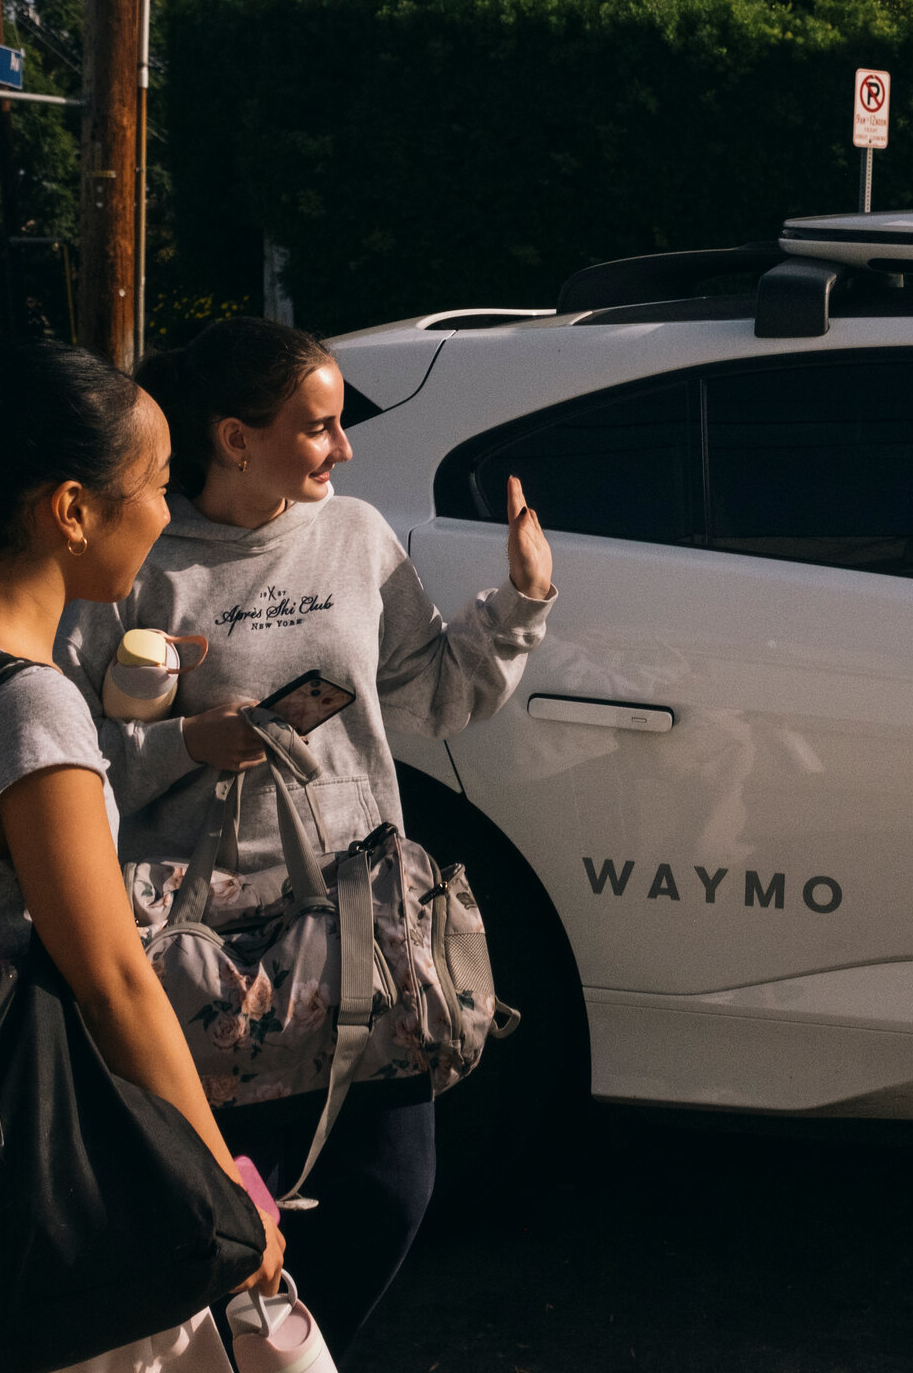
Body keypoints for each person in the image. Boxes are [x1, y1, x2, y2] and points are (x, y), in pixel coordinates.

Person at [58, 315, 555, 1358]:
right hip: (199, 956)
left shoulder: (356, 538)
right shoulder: (142, 558)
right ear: (236, 438)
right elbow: (65, 752)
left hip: (355, 931)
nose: (345, 448)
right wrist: (191, 741)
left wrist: (520, 604)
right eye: (320, 426)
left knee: (390, 1192)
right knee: (217, 1217)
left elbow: (437, 694)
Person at [0, 341, 287, 1359]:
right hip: (24, 1169)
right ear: (71, 511)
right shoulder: (29, 705)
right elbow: (112, 983)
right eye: (155, 482)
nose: (167, 508)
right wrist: (227, 1188)